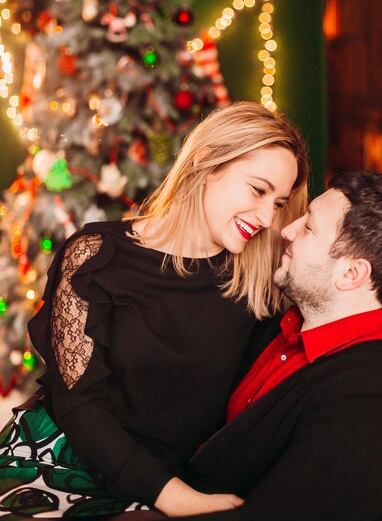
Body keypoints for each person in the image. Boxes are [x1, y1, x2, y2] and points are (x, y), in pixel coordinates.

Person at [0, 101, 309, 519]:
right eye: (258, 190)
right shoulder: (95, 255)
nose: (266, 218)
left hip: (173, 480)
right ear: (206, 161)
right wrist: (169, 495)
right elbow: (80, 403)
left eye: (277, 203)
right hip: (59, 459)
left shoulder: (257, 284)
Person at [172, 170, 382, 521]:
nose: (286, 229)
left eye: (309, 227)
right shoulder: (285, 325)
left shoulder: (378, 405)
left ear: (351, 274)